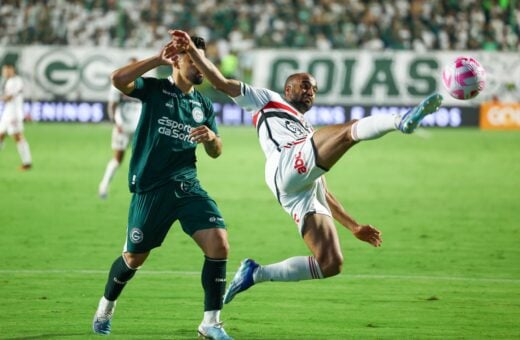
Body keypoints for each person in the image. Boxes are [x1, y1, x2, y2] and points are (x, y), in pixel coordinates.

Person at [170, 30, 443, 304]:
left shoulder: (307, 129)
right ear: (288, 89)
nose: (310, 91)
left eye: (313, 88)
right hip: (283, 163)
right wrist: (193, 50)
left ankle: (256, 273)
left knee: (331, 263)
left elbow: (322, 187)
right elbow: (219, 82)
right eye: (305, 85)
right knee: (349, 131)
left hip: (299, 188)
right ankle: (401, 121)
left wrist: (353, 226)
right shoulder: (265, 99)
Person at [92, 37, 233, 340]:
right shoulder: (156, 90)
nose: (199, 66)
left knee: (219, 243)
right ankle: (107, 304)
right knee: (133, 259)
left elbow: (217, 152)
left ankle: (211, 323)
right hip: (151, 188)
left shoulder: (203, 104)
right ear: (178, 61)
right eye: (192, 59)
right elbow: (118, 79)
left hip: (186, 185)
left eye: (201, 60)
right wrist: (156, 60)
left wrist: (211, 138)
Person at [98, 57, 142, 199]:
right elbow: (112, 106)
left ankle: (140, 190)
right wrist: (116, 123)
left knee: (143, 159)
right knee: (118, 159)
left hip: (138, 128)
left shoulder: (142, 84)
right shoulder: (118, 85)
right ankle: (104, 186)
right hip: (122, 127)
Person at [0, 63, 32, 170]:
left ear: (12, 70)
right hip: (7, 113)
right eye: (4, 71)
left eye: (7, 70)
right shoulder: (9, 81)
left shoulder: (16, 81)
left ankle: (27, 162)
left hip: (14, 114)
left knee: (17, 137)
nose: (4, 72)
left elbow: (9, 97)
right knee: (0, 135)